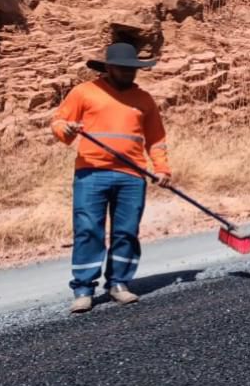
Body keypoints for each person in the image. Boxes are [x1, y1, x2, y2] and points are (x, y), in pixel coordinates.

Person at [50, 42, 171, 314]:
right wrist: (68, 129)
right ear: (108, 68)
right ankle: (83, 289)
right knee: (88, 230)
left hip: (132, 175)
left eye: (132, 69)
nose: (129, 73)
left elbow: (156, 139)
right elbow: (58, 123)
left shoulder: (144, 100)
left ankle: (119, 284)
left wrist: (162, 169)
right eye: (123, 68)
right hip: (91, 172)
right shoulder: (84, 92)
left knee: (126, 231)